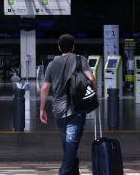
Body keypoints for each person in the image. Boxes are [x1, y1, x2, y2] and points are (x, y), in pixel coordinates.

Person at [39, 34, 100, 175]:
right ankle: (64, 172)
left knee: (67, 144)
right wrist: (95, 97)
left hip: (58, 111)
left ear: (59, 48)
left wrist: (42, 109)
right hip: (76, 108)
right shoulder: (80, 59)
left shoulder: (52, 64)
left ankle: (73, 172)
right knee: (71, 144)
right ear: (73, 47)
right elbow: (92, 79)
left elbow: (44, 88)